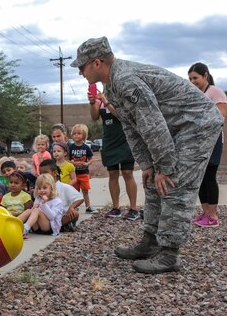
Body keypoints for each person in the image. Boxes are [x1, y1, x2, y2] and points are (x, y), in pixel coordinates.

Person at [72, 36, 223, 274]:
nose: (80, 72)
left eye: (82, 66)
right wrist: (148, 165)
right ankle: (150, 241)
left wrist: (164, 167)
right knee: (153, 181)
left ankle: (169, 253)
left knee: (173, 183)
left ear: (97, 62)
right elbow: (132, 126)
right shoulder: (112, 85)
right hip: (175, 126)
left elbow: (152, 125)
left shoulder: (126, 80)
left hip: (197, 124)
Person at [88, 86, 139, 221]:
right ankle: (116, 208)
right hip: (109, 140)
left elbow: (122, 116)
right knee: (113, 173)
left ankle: (133, 208)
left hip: (125, 139)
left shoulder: (122, 95)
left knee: (128, 173)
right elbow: (94, 117)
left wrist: (107, 102)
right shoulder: (101, 96)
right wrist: (93, 102)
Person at [188, 62, 227, 228]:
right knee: (200, 176)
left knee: (210, 176)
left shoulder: (215, 92)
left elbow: (221, 115)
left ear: (205, 75)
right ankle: (204, 213)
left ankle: (213, 216)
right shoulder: (196, 93)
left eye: (195, 77)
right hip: (198, 140)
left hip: (212, 140)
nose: (192, 81)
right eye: (190, 79)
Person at [68, 124, 95, 213]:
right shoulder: (70, 147)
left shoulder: (86, 147)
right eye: (74, 133)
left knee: (85, 191)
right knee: (75, 192)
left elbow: (91, 159)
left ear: (83, 135)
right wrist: (73, 163)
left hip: (84, 173)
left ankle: (88, 206)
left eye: (79, 133)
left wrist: (87, 163)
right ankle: (75, 207)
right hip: (74, 174)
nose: (76, 135)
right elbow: (68, 160)